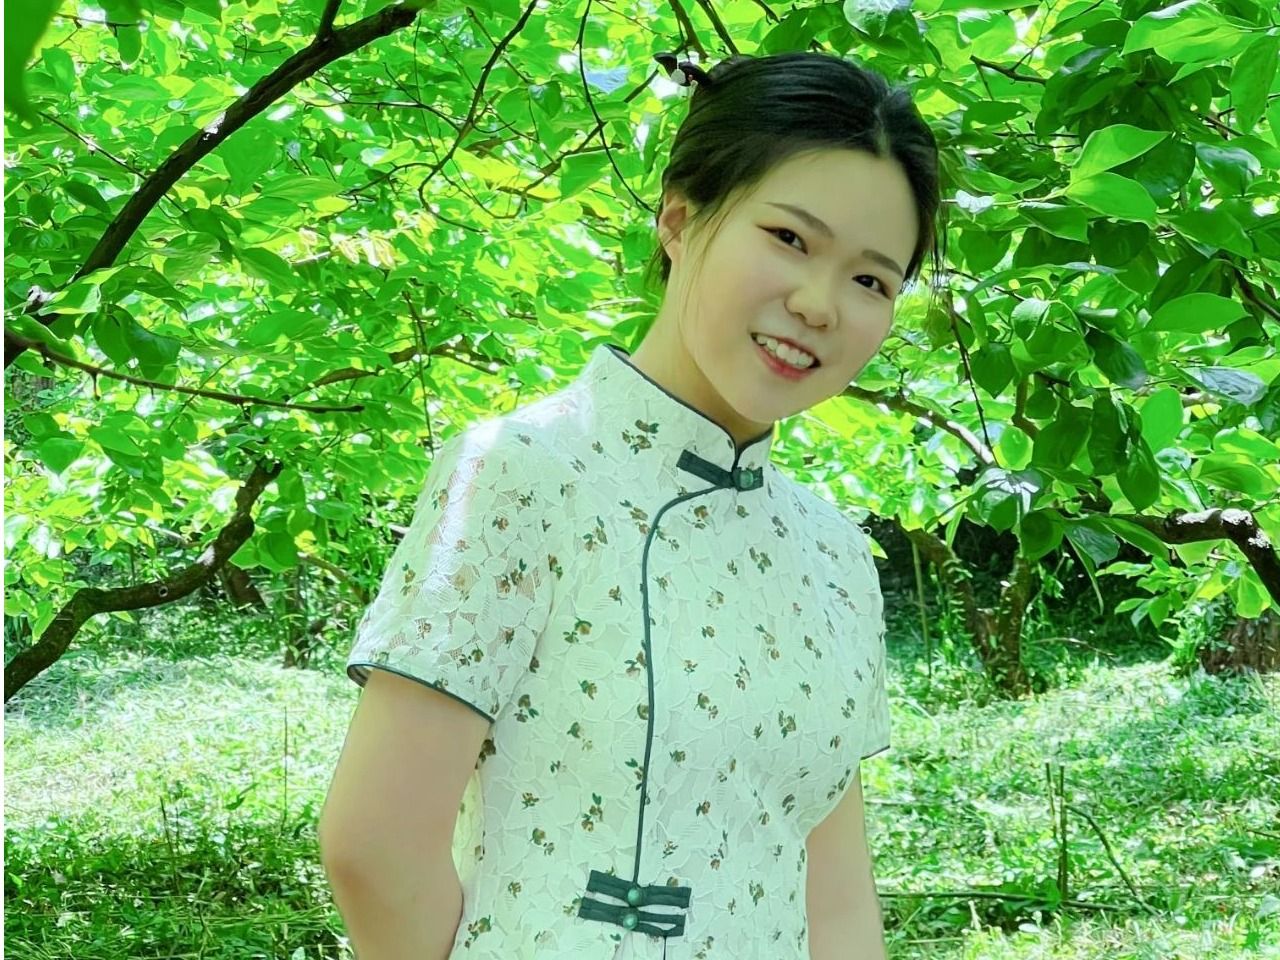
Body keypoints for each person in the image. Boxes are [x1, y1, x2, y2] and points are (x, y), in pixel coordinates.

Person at [318, 49, 943, 960]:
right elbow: (376, 848)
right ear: (681, 220)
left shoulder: (836, 553)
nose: (820, 304)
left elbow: (837, 898)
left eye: (871, 280)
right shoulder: (522, 473)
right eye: (789, 238)